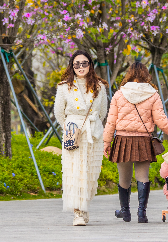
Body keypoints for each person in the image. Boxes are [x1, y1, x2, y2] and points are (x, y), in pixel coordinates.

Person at [103, 60, 168, 223]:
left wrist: (106, 142)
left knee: (124, 178)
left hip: (122, 140)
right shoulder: (153, 94)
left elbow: (111, 121)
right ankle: (142, 213)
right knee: (142, 176)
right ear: (146, 75)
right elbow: (162, 121)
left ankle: (125, 212)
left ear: (128, 75)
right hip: (143, 140)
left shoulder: (119, 94)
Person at [53, 50, 109, 226]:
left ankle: (84, 208)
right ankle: (78, 212)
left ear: (90, 65)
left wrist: (92, 127)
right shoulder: (64, 87)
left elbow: (102, 112)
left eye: (84, 63)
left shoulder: (100, 86)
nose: (81, 67)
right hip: (74, 132)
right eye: (77, 64)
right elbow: (58, 112)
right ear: (72, 66)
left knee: (90, 174)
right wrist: (70, 127)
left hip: (93, 132)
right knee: (75, 172)